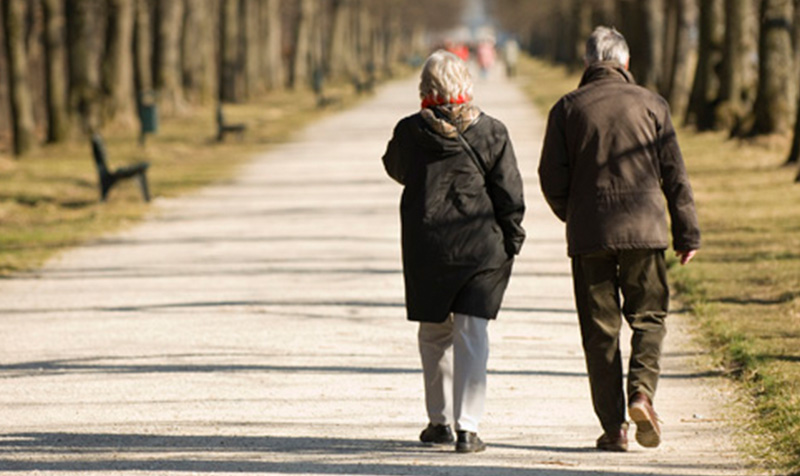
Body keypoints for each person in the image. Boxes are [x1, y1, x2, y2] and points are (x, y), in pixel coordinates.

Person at [538, 27, 701, 452]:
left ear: (588, 63)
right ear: (625, 63)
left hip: (590, 233)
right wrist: (687, 232)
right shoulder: (652, 104)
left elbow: (550, 178)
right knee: (649, 318)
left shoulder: (567, 108)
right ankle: (642, 394)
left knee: (600, 332)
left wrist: (573, 214)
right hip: (645, 230)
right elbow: (674, 175)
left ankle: (614, 429)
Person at [382, 50, 525, 453]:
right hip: (480, 248)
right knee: (472, 333)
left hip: (428, 247)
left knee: (433, 334)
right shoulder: (492, 131)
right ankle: (468, 428)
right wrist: (512, 240)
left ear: (425, 89)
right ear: (466, 84)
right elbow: (510, 194)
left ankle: (438, 421)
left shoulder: (410, 132)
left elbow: (395, 169)